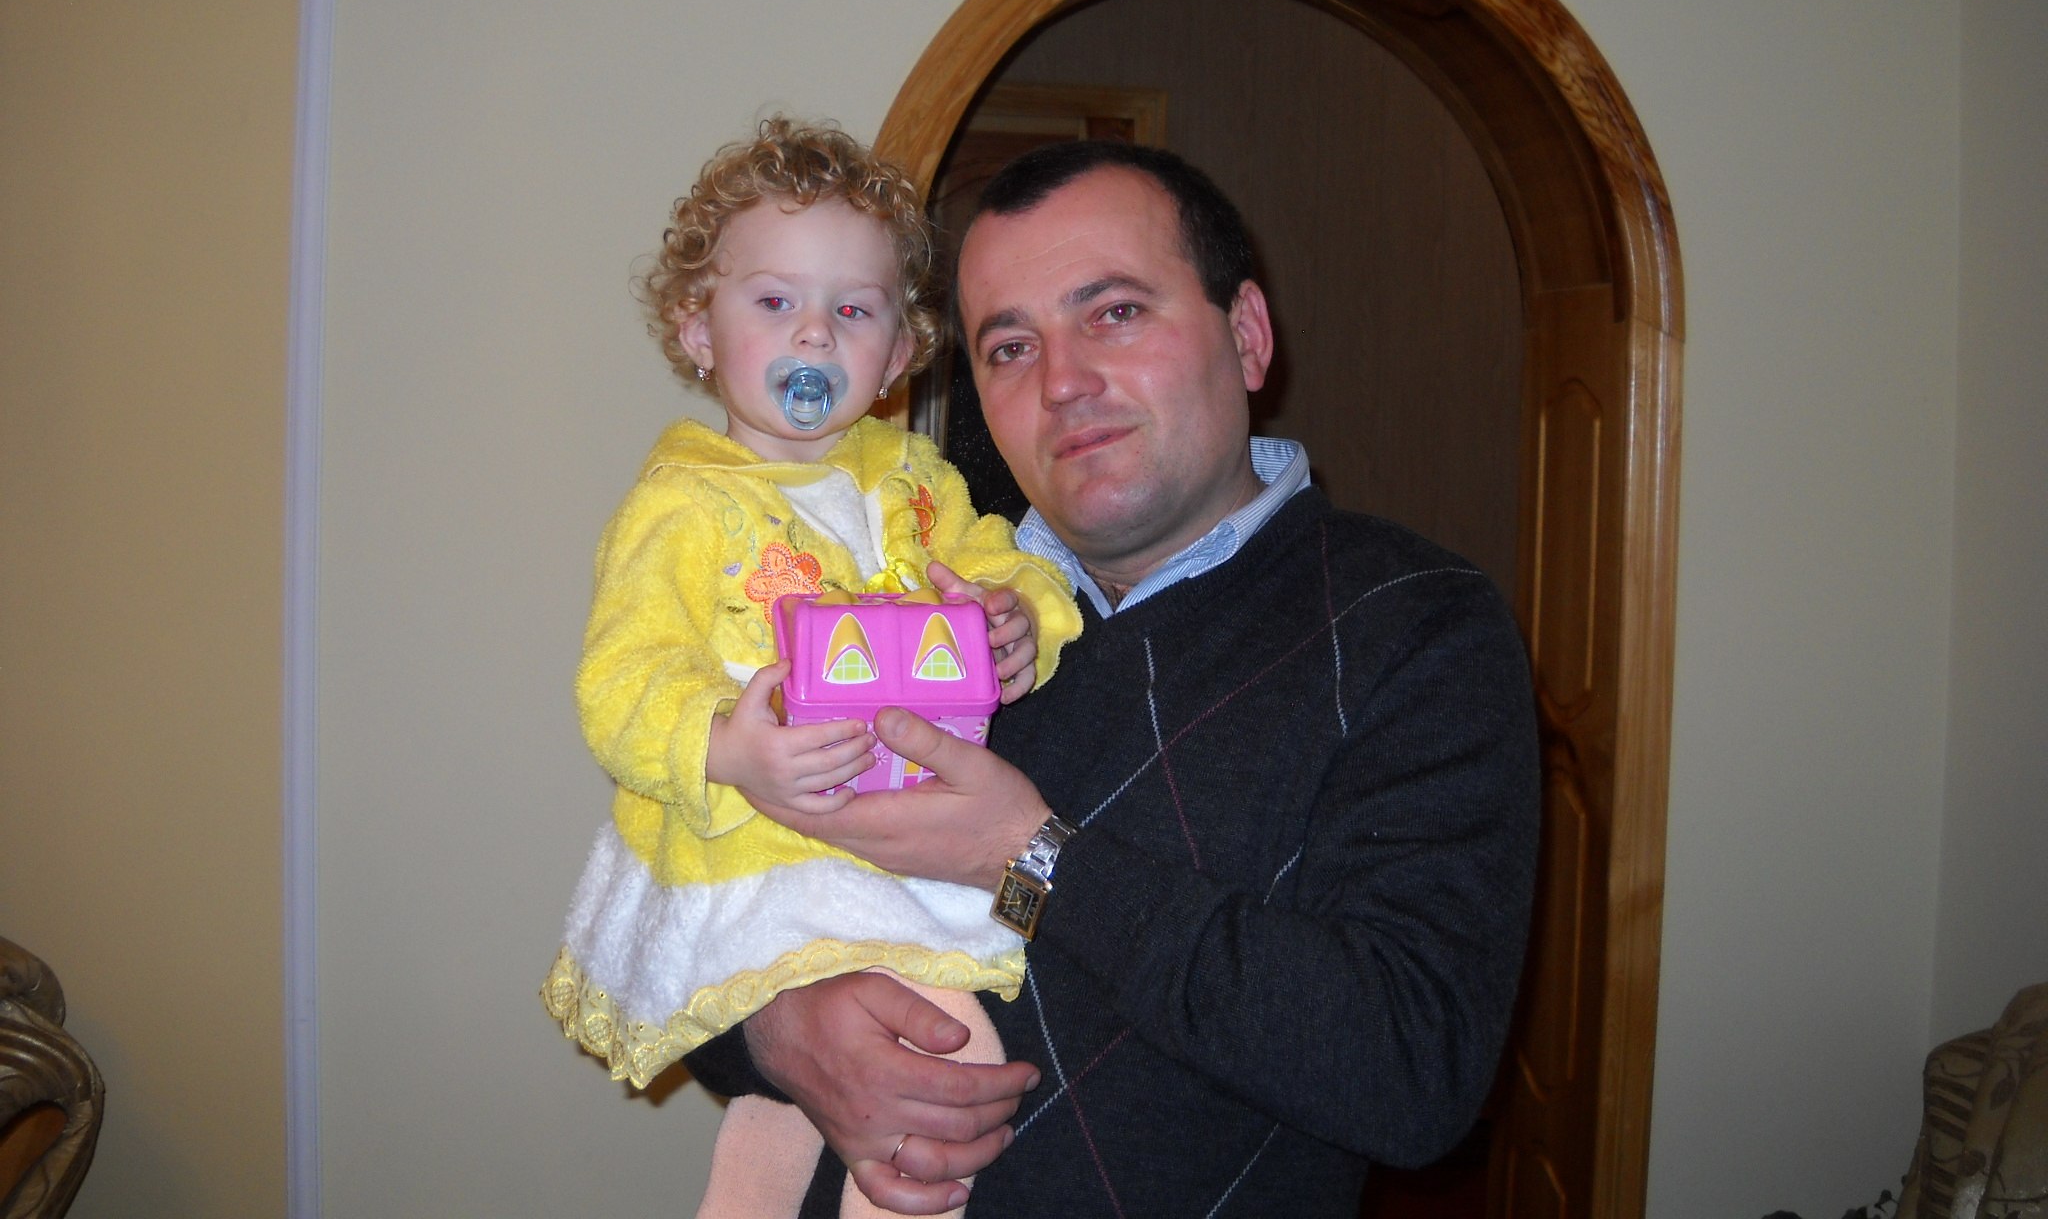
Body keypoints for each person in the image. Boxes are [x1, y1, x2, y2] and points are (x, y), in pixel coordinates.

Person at [683, 138, 1542, 1218]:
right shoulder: (894, 596)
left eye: (1115, 313)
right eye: (1010, 346)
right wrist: (775, 1034)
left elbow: (1412, 1070)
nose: (1062, 383)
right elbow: (681, 901)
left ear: (1246, 335)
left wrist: (1029, 862)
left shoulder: (1414, 626)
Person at [541, 119, 1084, 1219]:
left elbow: (1004, 564)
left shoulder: (919, 480)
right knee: (944, 1051)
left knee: (792, 1102)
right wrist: (726, 747)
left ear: (897, 353)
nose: (813, 334)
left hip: (902, 840)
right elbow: (622, 679)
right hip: (757, 855)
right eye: (774, 300)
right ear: (698, 329)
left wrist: (1020, 615)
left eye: (853, 311)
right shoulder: (682, 503)